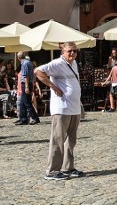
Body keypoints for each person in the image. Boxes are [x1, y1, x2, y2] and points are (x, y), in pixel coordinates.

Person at [35, 42, 84, 181]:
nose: (72, 53)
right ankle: (52, 170)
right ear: (63, 52)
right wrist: (53, 87)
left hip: (74, 108)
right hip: (61, 108)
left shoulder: (74, 64)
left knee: (71, 140)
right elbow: (38, 72)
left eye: (74, 51)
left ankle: (67, 167)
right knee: (58, 140)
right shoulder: (57, 63)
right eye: (69, 51)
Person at [15, 51, 39, 125]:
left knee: (27, 102)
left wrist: (26, 86)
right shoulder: (29, 62)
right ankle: (23, 119)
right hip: (28, 83)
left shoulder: (24, 64)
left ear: (18, 58)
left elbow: (26, 76)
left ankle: (35, 118)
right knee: (22, 102)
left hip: (25, 84)